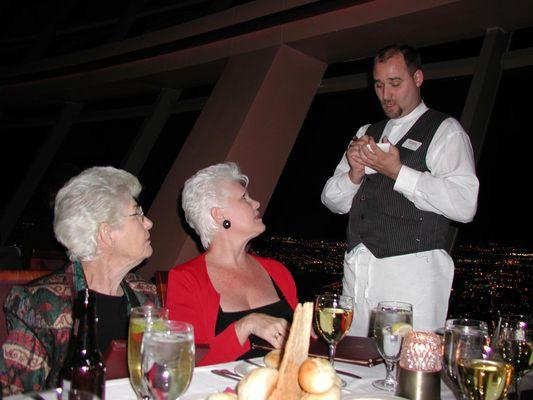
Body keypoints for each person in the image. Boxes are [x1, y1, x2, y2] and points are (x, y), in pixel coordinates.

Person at [321, 44, 479, 336]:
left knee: (406, 368)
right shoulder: (366, 131)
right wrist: (354, 173)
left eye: (395, 83)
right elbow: (332, 200)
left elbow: (465, 204)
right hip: (359, 273)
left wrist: (397, 172)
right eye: (379, 85)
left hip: (411, 277)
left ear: (417, 78)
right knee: (354, 363)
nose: (386, 95)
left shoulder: (445, 130)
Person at [0, 166, 160, 396]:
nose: (149, 223)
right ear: (105, 233)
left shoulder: (146, 294)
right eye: (138, 214)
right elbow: (14, 394)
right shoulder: (41, 304)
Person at [166, 162, 298, 365]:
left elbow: (302, 343)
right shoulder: (186, 279)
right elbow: (184, 363)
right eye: (244, 197)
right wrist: (245, 325)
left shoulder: (277, 271)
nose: (256, 203)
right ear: (219, 215)